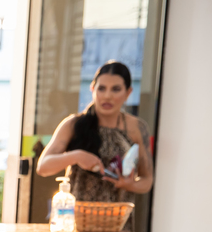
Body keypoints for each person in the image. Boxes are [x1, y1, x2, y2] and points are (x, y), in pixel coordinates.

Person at [36, 60, 154, 202]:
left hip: (118, 213)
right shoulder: (73, 124)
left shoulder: (137, 128)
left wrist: (130, 184)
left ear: (128, 92)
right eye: (102, 88)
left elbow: (147, 180)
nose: (107, 96)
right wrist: (76, 156)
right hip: (78, 212)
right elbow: (43, 167)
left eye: (116, 89)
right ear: (92, 89)